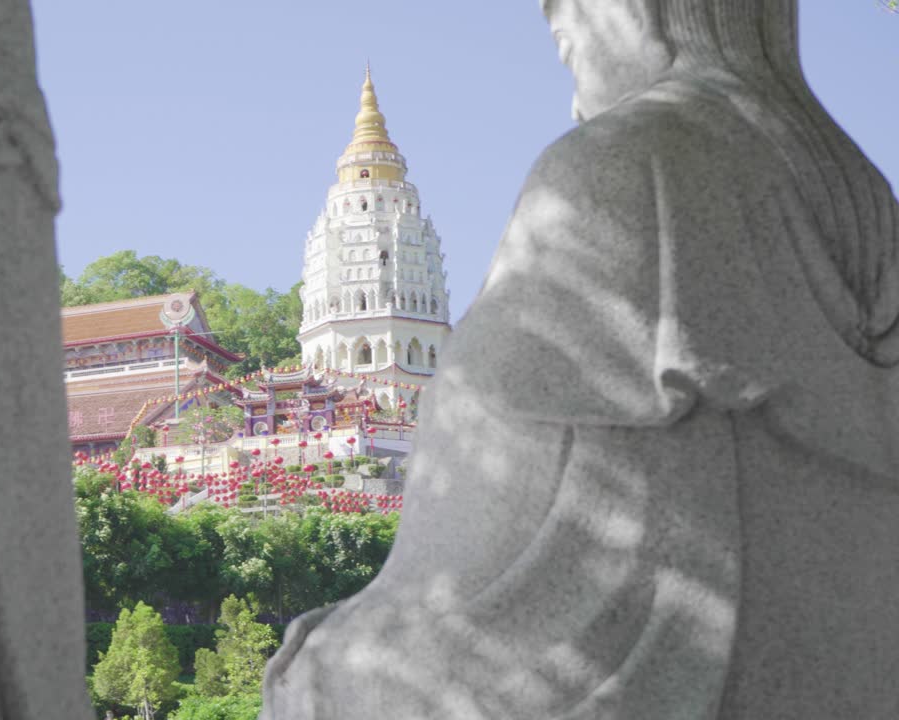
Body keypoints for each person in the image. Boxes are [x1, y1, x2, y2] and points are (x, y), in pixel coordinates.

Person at [261, 1, 899, 718]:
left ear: (645, 14)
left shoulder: (628, 159)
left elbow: (492, 502)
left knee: (326, 674)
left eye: (569, 31)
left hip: (662, 655)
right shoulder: (866, 197)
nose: (567, 69)